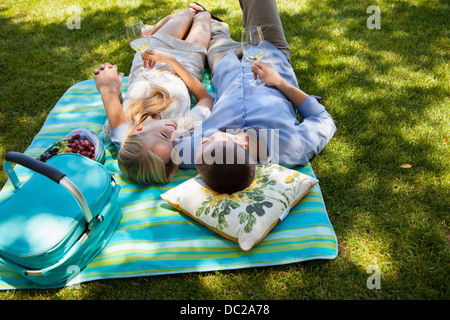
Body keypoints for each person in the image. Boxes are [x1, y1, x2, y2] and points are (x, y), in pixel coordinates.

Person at [176, 1, 337, 194]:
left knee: (215, 32)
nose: (200, 139)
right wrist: (279, 82)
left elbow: (153, 149)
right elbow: (322, 119)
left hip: (224, 63)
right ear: (240, 142)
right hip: (269, 52)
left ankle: (211, 20)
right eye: (207, 139)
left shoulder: (203, 156)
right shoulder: (293, 147)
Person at [93, 9, 214, 184]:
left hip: (148, 58)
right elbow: (206, 99)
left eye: (165, 136)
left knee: (185, 14)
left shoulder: (123, 125)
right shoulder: (182, 127)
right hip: (186, 64)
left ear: (139, 130)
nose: (173, 135)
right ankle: (164, 24)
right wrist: (171, 60)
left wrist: (113, 88)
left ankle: (161, 25)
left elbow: (114, 107)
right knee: (203, 16)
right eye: (174, 145)